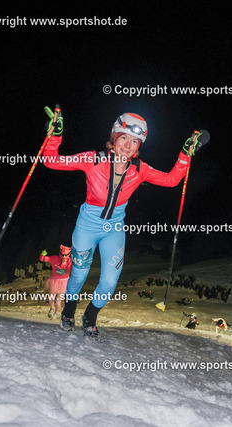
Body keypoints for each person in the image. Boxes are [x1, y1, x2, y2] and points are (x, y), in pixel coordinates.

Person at [42, 109, 204, 339]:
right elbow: (51, 161)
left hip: (114, 229)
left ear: (139, 146)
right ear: (114, 137)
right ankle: (68, 312)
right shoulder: (93, 159)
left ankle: (90, 317)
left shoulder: (140, 169)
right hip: (87, 226)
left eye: (135, 141)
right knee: (78, 275)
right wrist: (55, 136)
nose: (128, 145)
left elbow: (171, 180)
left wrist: (185, 155)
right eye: (124, 137)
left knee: (109, 282)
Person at [39, 245, 72, 318]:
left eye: (65, 255)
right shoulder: (54, 258)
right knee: (51, 297)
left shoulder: (70, 261)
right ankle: (52, 308)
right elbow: (42, 259)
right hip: (55, 280)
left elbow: (75, 266)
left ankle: (56, 313)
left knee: (58, 300)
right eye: (62, 255)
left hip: (64, 282)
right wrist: (42, 255)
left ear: (68, 255)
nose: (63, 257)